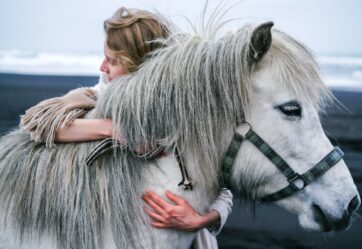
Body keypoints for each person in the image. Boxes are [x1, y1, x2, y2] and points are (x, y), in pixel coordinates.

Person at [20, 7, 233, 249]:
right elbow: (44, 128)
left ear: (137, 64)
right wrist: (114, 130)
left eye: (113, 60)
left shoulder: (186, 111)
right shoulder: (98, 97)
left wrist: (200, 220)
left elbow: (223, 186)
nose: (102, 67)